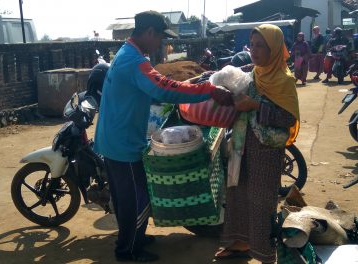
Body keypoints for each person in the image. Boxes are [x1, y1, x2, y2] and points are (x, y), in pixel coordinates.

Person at [93, 10, 233, 262]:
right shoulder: (134, 61)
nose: (162, 43)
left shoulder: (127, 54)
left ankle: (134, 237)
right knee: (136, 199)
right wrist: (209, 91)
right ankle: (127, 252)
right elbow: (163, 88)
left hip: (114, 139)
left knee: (126, 197)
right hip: (123, 144)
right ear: (149, 33)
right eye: (160, 37)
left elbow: (153, 90)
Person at [214, 24, 300, 263]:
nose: (254, 50)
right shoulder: (253, 73)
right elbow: (228, 77)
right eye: (251, 45)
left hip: (266, 150)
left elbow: (287, 118)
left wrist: (255, 106)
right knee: (238, 193)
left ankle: (263, 251)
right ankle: (240, 243)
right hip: (242, 144)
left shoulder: (284, 80)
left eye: (260, 45)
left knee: (261, 200)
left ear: (273, 48)